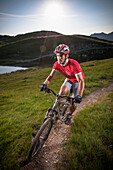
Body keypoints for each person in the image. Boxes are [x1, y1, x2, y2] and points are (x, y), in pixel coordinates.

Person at [40, 44, 85, 125]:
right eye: (57, 56)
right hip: (68, 79)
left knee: (74, 103)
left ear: (67, 55)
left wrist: (79, 95)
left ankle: (69, 115)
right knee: (61, 92)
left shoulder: (74, 64)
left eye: (61, 56)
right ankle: (59, 110)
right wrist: (45, 83)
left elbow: (81, 80)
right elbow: (51, 76)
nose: (59, 58)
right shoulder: (57, 64)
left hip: (77, 81)